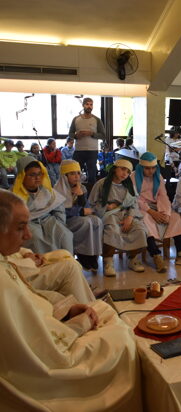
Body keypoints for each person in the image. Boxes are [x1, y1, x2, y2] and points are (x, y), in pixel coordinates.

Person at [0, 190, 140, 411]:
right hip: (44, 371)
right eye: (20, 228)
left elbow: (29, 304)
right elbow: (40, 345)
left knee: (98, 305)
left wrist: (66, 310)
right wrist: (78, 324)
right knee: (121, 338)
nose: (27, 236)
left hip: (46, 331)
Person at [132, 152, 181, 271]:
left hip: (158, 206)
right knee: (145, 221)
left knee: (175, 218)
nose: (151, 171)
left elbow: (163, 195)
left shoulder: (158, 176)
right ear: (141, 167)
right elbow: (135, 199)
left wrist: (166, 213)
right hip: (140, 207)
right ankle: (156, 255)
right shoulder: (133, 177)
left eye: (153, 168)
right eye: (147, 168)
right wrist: (152, 212)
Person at [89, 159, 148, 276]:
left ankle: (133, 259)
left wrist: (130, 217)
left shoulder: (129, 186)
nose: (125, 173)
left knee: (140, 230)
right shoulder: (101, 184)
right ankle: (108, 262)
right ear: (115, 169)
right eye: (122, 169)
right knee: (112, 230)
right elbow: (92, 204)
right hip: (110, 214)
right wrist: (107, 206)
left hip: (127, 213)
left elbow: (134, 203)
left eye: (128, 172)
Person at [12, 156, 73, 253]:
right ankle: (45, 262)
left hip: (48, 220)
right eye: (32, 175)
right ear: (22, 176)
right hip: (28, 223)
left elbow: (59, 209)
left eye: (39, 174)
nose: (37, 178)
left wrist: (59, 223)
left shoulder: (47, 191)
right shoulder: (13, 194)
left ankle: (66, 261)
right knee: (36, 239)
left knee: (65, 234)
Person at [54, 160, 103, 272]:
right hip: (65, 221)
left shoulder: (82, 188)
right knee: (86, 222)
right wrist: (80, 212)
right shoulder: (57, 190)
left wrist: (80, 195)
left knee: (97, 221)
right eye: (72, 173)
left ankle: (93, 254)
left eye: (78, 173)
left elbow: (87, 207)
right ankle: (83, 255)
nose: (77, 176)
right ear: (65, 176)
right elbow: (59, 210)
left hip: (79, 218)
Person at [69, 97, 106, 186]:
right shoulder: (76, 119)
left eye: (91, 104)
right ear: (83, 105)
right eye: (87, 104)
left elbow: (103, 135)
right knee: (75, 173)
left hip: (92, 151)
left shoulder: (97, 120)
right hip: (79, 150)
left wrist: (92, 133)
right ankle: (75, 191)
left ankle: (91, 193)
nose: (89, 106)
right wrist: (76, 136)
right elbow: (70, 134)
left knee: (92, 175)